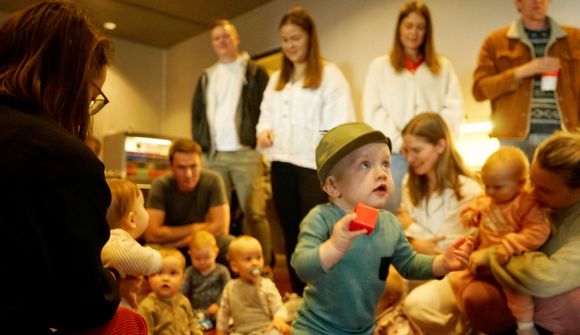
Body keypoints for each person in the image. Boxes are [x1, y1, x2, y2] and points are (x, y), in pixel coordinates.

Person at [0, 1, 145, 332]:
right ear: (71, 82)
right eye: (92, 97)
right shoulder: (64, 157)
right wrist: (114, 280)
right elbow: (82, 303)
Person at [290, 122, 474, 335]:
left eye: (385, 164)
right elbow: (302, 267)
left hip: (365, 329)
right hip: (316, 329)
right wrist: (334, 246)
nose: (382, 173)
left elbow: (409, 264)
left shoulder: (388, 223)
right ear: (333, 186)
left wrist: (441, 262)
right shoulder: (321, 218)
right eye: (365, 165)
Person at [256, 6, 356, 295]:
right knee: (289, 233)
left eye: (295, 38)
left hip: (314, 167)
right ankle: (299, 296)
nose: (289, 46)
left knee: (314, 233)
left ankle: (323, 294)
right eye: (285, 40)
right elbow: (265, 115)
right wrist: (263, 132)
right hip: (281, 164)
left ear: (310, 38)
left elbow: (339, 126)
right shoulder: (277, 79)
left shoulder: (330, 75)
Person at [458, 131, 580, 334]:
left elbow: (547, 277)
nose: (531, 193)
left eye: (545, 190)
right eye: (532, 182)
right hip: (520, 292)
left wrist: (491, 255)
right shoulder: (535, 202)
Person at [363, 0, 463, 213]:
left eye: (420, 27)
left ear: (427, 31)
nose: (414, 32)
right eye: (409, 26)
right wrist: (404, 145)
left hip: (434, 156)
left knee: (439, 210)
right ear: (399, 28)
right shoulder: (380, 67)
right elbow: (374, 110)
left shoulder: (442, 67)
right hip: (396, 155)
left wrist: (431, 144)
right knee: (395, 210)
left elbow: (453, 108)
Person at [191, 19, 273, 266]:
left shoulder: (255, 71)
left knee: (254, 213)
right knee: (216, 215)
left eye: (226, 36)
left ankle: (263, 267)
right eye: (216, 38)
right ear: (212, 43)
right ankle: (225, 267)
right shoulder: (207, 76)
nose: (222, 41)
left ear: (236, 38)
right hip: (213, 155)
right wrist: (201, 144)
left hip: (246, 153)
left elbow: (269, 108)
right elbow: (196, 113)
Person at [450, 147, 550, 335]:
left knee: (517, 290)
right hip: (482, 259)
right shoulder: (488, 199)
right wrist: (470, 215)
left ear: (521, 183)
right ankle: (468, 318)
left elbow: (539, 231)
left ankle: (525, 326)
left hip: (508, 261)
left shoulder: (525, 203)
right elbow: (476, 207)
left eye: (497, 187)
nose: (490, 192)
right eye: (486, 185)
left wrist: (509, 244)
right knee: (456, 278)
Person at [397, 112, 482, 334]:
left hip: (454, 271)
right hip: (418, 263)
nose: (409, 158)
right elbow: (401, 232)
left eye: (416, 150)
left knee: (415, 306)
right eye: (406, 150)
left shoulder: (468, 190)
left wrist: (412, 233)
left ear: (441, 145)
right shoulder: (409, 183)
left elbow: (445, 246)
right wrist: (414, 239)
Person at [472, 0, 580, 160]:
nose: (537, 1)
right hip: (514, 138)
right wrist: (520, 72)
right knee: (515, 184)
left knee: (564, 185)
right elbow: (480, 90)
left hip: (565, 135)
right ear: (517, 2)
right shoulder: (495, 42)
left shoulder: (574, 39)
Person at [145, 138, 232, 265]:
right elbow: (152, 234)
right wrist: (195, 228)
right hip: (167, 248)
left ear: (201, 164)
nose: (189, 174)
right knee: (149, 252)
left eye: (193, 166)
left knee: (231, 245)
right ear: (171, 167)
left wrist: (182, 241)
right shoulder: (161, 184)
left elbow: (221, 228)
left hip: (192, 243)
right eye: (181, 168)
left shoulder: (213, 180)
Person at [101, 179, 163, 308]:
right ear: (132, 219)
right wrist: (158, 258)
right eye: (143, 206)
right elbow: (123, 255)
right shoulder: (115, 240)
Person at [216, 235, 289, 335]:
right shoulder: (230, 287)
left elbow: (278, 307)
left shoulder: (266, 285)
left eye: (258, 257)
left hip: (265, 329)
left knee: (276, 332)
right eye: (248, 259)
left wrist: (278, 319)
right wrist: (221, 331)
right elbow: (223, 313)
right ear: (235, 266)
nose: (255, 263)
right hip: (241, 331)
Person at [137, 247, 203, 335]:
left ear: (183, 279)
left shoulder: (184, 301)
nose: (166, 278)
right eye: (159, 273)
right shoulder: (147, 306)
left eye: (173, 273)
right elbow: (146, 332)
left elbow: (192, 323)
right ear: (150, 278)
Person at [181, 230, 231, 329]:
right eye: (197, 258)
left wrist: (218, 304)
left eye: (207, 257)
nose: (202, 262)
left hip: (218, 308)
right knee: (188, 319)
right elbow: (182, 289)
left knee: (224, 318)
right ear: (190, 254)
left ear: (216, 252)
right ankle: (202, 324)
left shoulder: (222, 271)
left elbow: (228, 290)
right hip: (197, 309)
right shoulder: (190, 271)